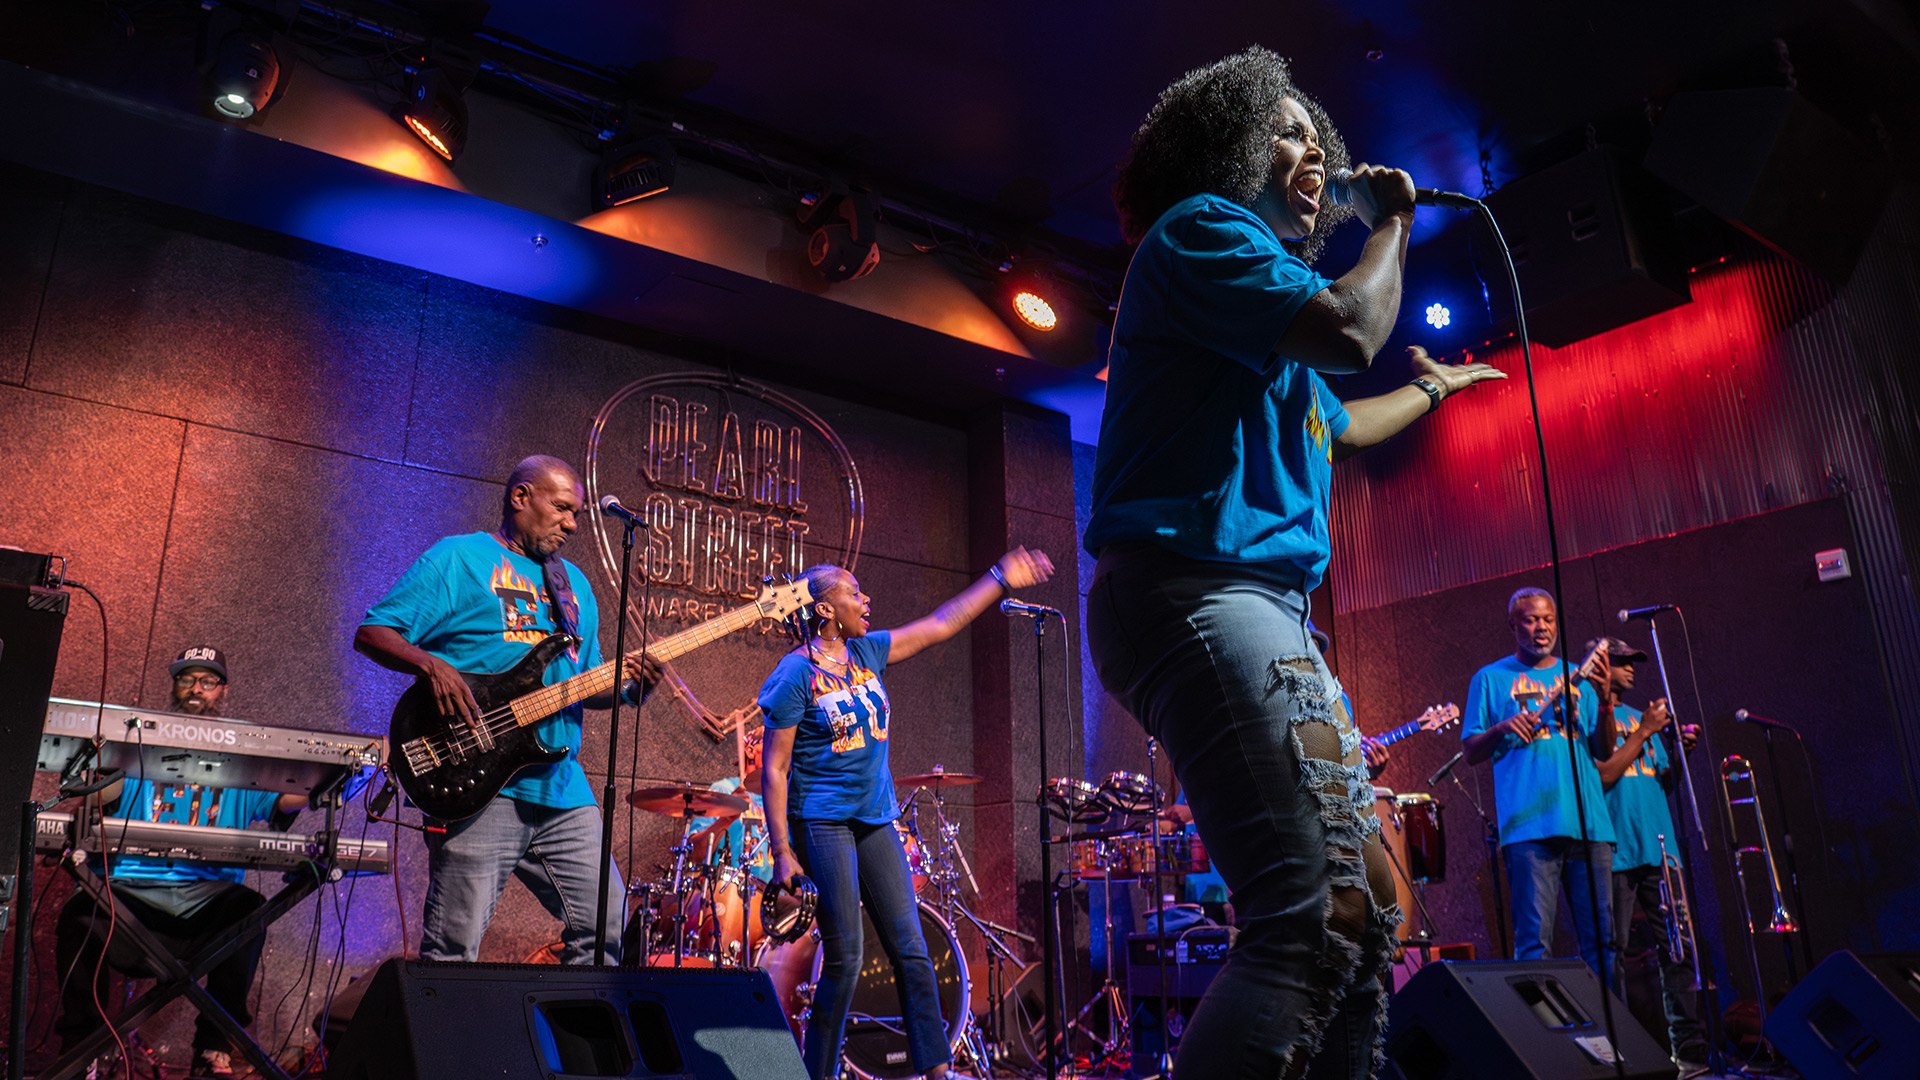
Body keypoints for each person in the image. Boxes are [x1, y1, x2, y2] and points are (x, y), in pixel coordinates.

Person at [1083, 47, 1505, 1079]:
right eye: (1288, 135)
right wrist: (1391, 220)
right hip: (1196, 589)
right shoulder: (1201, 233)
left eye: (1322, 142)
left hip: (1256, 600)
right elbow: (1353, 331)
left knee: (1370, 918)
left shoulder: (1257, 314)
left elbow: (1342, 420)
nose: (1313, 154)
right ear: (1228, 148)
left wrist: (1440, 390)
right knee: (1313, 917)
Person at [760, 548, 1055, 1080]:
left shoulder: (867, 653)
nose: (865, 599)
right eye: (853, 592)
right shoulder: (793, 674)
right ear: (825, 609)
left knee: (912, 948)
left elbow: (943, 623)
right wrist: (783, 853)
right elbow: (775, 770)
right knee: (845, 959)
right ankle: (817, 1073)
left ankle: (937, 1070)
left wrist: (999, 578)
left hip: (874, 820)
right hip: (823, 824)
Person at [355, 454, 646, 965]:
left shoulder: (574, 585)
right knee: (453, 949)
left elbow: (585, 682)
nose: (572, 524)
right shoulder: (459, 559)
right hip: (478, 779)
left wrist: (629, 688)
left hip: (561, 784)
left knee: (609, 928)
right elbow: (373, 632)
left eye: (576, 513)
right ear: (520, 498)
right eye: (561, 509)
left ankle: (567, 1042)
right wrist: (430, 666)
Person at [52, 646, 307, 1079]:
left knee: (248, 913)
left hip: (206, 909)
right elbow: (99, 800)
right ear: (174, 685)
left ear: (222, 691)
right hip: (129, 900)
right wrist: (98, 762)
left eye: (207, 681)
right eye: (186, 679)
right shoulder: (138, 741)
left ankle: (212, 1050)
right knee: (79, 913)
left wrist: (338, 767)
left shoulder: (245, 751)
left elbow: (286, 798)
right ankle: (81, 1052)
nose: (195, 689)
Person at [1461, 589, 1617, 982]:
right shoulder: (1490, 679)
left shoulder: (1576, 675)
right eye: (1531, 620)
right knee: (1534, 944)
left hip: (1589, 825)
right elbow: (1471, 750)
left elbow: (1603, 749)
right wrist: (1501, 726)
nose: (1541, 628)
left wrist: (1607, 701)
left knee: (1603, 944)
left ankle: (1612, 1040)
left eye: (1548, 619)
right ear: (1514, 625)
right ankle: (1542, 1042)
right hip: (1528, 828)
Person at [1588, 637, 1708, 1066]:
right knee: (1611, 951)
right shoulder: (1594, 720)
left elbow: (1657, 784)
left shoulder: (1643, 719)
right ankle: (1620, 1047)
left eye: (1634, 661)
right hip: (1616, 850)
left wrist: (1679, 760)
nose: (1632, 669)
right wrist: (1643, 732)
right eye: (1622, 662)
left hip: (1660, 849)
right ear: (1602, 666)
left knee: (1677, 947)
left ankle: (1687, 1041)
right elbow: (1603, 776)